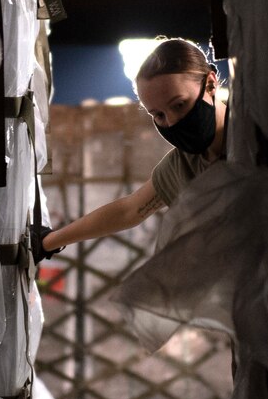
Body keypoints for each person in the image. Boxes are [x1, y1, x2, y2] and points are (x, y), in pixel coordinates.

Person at [29, 38, 226, 259]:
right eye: (158, 115)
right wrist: (48, 242)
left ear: (210, 83)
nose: (171, 122)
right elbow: (129, 211)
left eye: (179, 105)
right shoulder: (182, 166)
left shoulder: (255, 138)